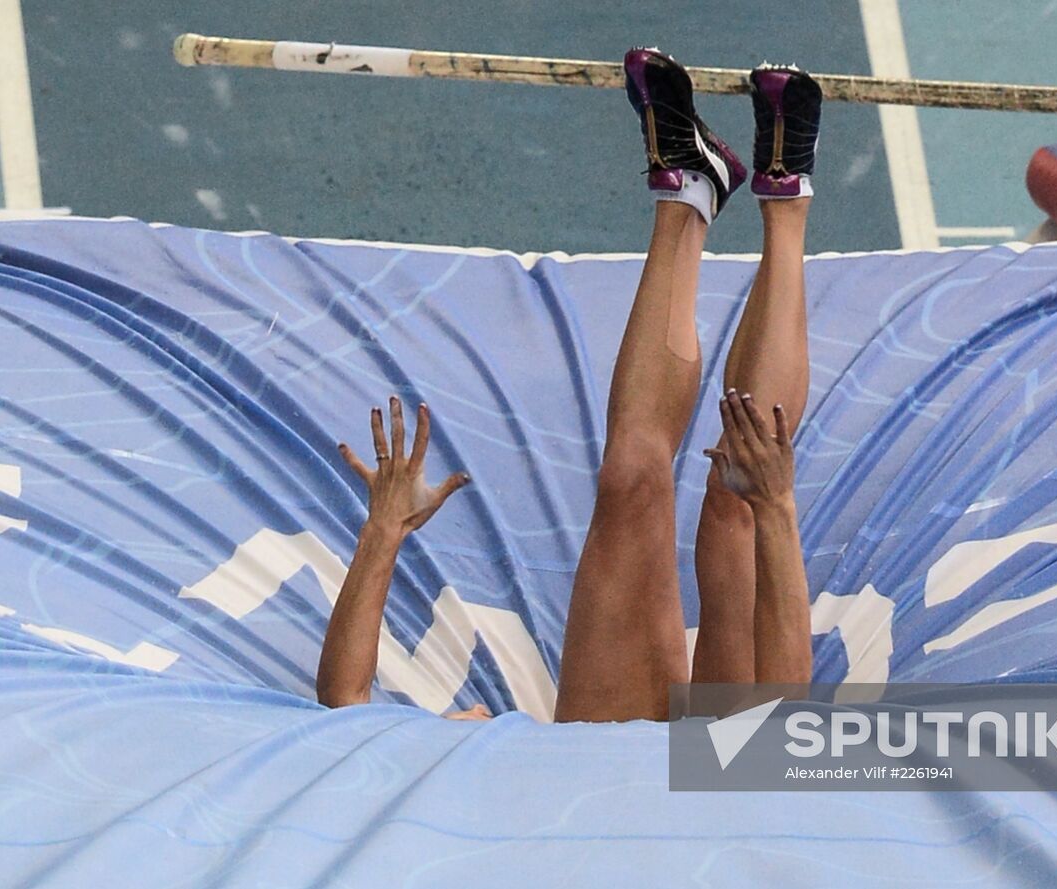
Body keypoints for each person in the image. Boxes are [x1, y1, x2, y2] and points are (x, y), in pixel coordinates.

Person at [317, 48, 823, 722]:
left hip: (593, 756)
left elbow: (344, 700)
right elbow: (785, 733)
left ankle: (689, 193)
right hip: (716, 797)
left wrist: (382, 533)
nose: (467, 716)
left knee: (630, 476)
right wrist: (781, 508)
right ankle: (785, 207)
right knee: (741, 508)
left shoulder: (435, 770)